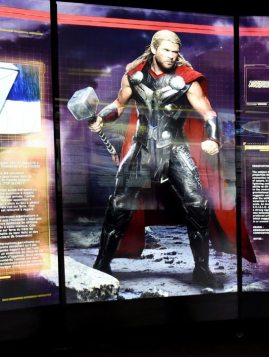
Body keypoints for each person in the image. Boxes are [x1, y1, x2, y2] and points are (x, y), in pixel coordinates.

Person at [88, 30, 254, 288]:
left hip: (175, 149)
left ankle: (201, 270)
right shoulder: (134, 75)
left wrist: (212, 138)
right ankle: (102, 264)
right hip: (141, 148)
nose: (172, 55)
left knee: (198, 205)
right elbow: (118, 105)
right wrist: (102, 117)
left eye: (175, 51)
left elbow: (208, 113)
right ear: (154, 49)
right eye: (166, 50)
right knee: (119, 205)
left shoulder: (187, 79)